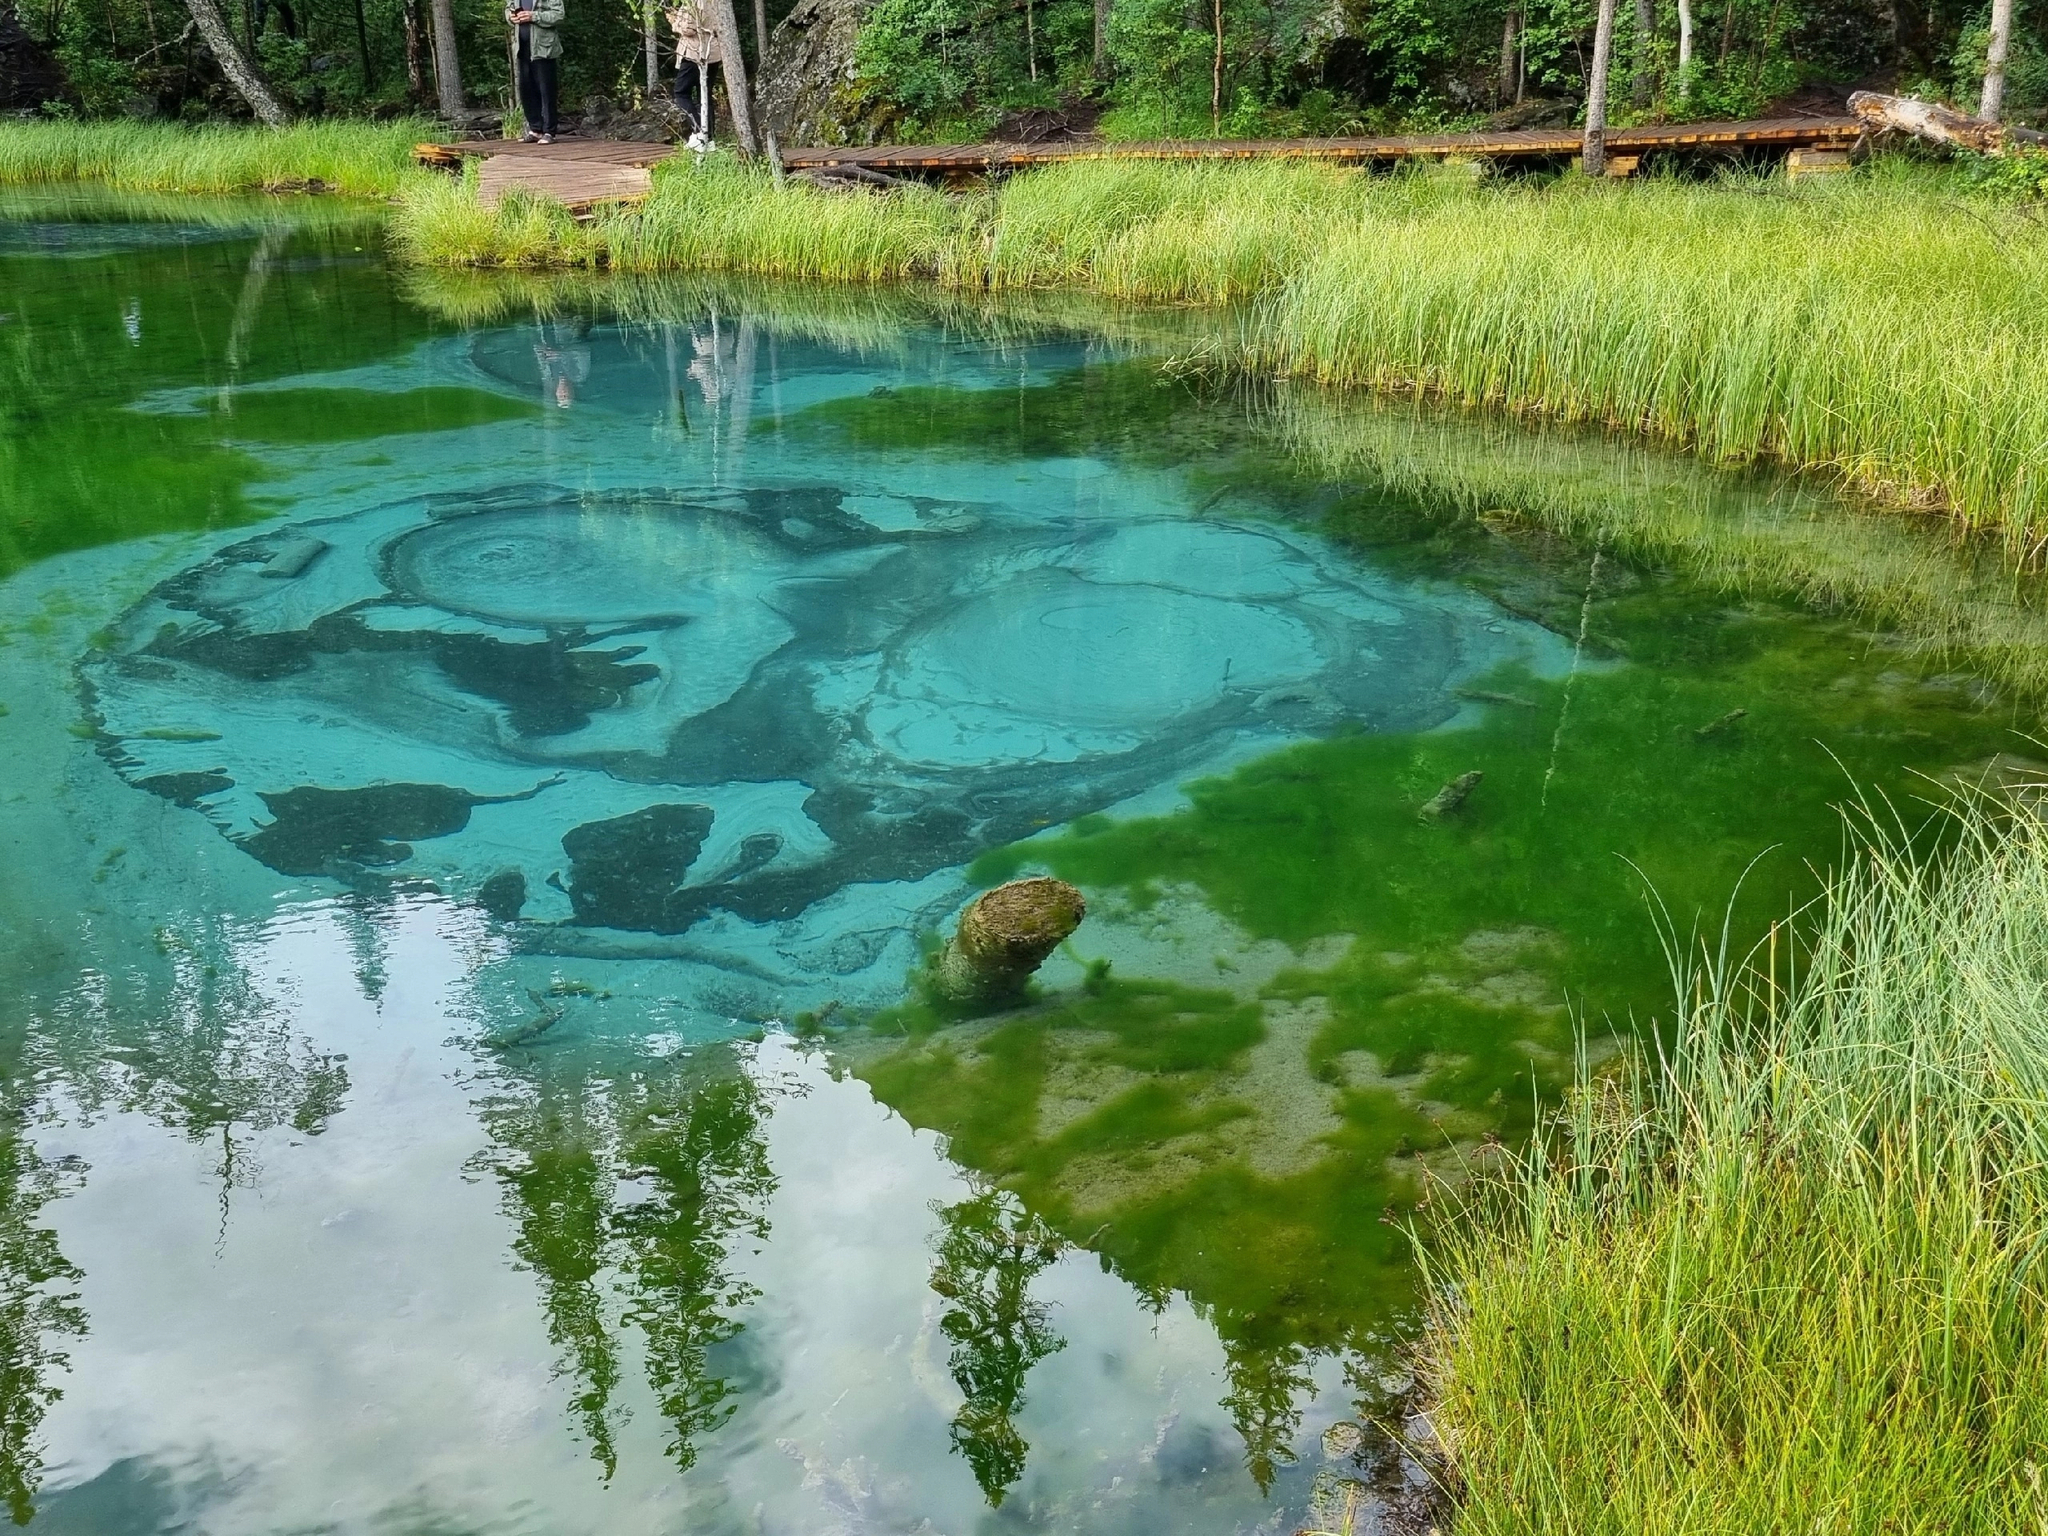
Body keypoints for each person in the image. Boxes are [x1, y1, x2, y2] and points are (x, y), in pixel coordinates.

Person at [507, 0, 565, 144]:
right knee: (526, 89)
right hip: (522, 47)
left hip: (544, 48)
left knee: (546, 90)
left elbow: (559, 15)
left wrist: (534, 16)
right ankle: (536, 129)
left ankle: (549, 132)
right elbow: (508, 9)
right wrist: (511, 17)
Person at [664, 0, 717, 144]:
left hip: (694, 53)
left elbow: (689, 29)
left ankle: (700, 131)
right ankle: (709, 136)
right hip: (713, 53)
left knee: (681, 93)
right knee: (705, 96)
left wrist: (675, 22)